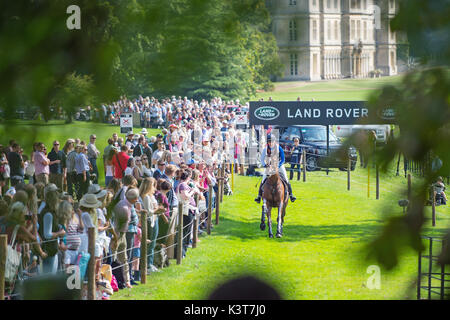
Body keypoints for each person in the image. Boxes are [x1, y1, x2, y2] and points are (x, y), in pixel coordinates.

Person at [254, 134, 296, 203]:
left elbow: (283, 159)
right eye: (269, 142)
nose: (270, 143)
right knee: (263, 179)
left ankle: (291, 195)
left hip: (279, 166)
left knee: (285, 178)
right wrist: (265, 165)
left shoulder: (279, 148)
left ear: (274, 141)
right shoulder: (265, 149)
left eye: (271, 142)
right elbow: (261, 159)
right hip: (269, 166)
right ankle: (259, 196)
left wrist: (278, 166)